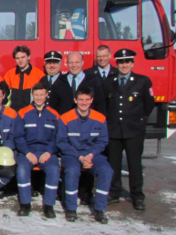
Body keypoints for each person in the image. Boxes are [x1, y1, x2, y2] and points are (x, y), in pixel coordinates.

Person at [104, 48, 154, 211]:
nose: (124, 65)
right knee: (114, 164)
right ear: (117, 63)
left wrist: (138, 119)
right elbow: (106, 105)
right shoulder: (109, 82)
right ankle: (115, 192)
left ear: (132, 63)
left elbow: (149, 104)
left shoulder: (142, 81)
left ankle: (137, 196)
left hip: (134, 130)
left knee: (134, 165)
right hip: (114, 131)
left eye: (127, 61)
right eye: (121, 62)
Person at [56, 87, 113, 224]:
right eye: (81, 99)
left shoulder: (100, 118)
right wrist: (80, 157)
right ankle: (71, 208)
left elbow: (102, 141)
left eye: (87, 99)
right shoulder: (66, 118)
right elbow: (62, 142)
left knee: (106, 171)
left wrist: (91, 155)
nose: (84, 102)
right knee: (72, 170)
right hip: (71, 154)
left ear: (92, 100)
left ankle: (99, 209)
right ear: (75, 100)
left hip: (92, 155)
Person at [14, 82, 60, 218]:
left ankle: (49, 205)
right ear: (32, 95)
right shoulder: (23, 113)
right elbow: (18, 136)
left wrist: (49, 152)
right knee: (22, 169)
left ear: (46, 95)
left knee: (54, 169)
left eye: (42, 95)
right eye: (36, 95)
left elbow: (57, 137)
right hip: (28, 151)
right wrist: (27, 152)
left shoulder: (54, 115)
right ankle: (25, 204)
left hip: (47, 151)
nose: (39, 98)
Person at [4, 46, 44, 112]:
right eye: (17, 58)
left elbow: (43, 97)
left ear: (28, 57)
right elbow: (3, 96)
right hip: (13, 114)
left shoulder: (39, 75)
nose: (20, 60)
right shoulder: (9, 74)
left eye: (23, 57)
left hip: (31, 114)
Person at [39, 51, 73, 115]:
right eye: (49, 63)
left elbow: (67, 106)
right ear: (45, 64)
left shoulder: (66, 81)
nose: (52, 65)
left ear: (60, 64)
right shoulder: (42, 80)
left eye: (55, 63)